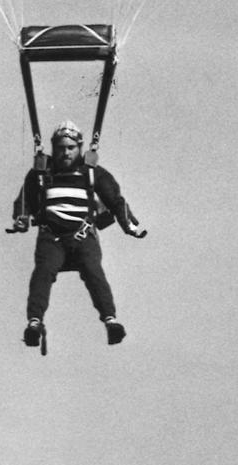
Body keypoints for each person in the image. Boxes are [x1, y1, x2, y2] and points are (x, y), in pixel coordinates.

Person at [12, 120, 146, 347]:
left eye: (70, 148)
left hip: (83, 237)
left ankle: (111, 321)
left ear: (79, 148)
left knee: (94, 272)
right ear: (54, 148)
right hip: (51, 237)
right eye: (61, 148)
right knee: (43, 273)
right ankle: (34, 322)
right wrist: (21, 218)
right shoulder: (41, 172)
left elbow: (115, 200)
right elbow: (24, 199)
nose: (65, 153)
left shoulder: (93, 173)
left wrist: (129, 226)